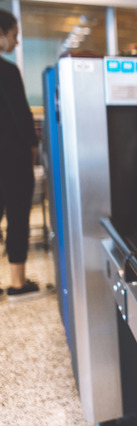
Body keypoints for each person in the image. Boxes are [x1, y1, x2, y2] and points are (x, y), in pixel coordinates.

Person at [0, 9, 39, 297]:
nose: (16, 42)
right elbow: (21, 118)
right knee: (17, 216)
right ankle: (17, 283)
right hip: (11, 158)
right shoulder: (8, 71)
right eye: (14, 35)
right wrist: (33, 148)